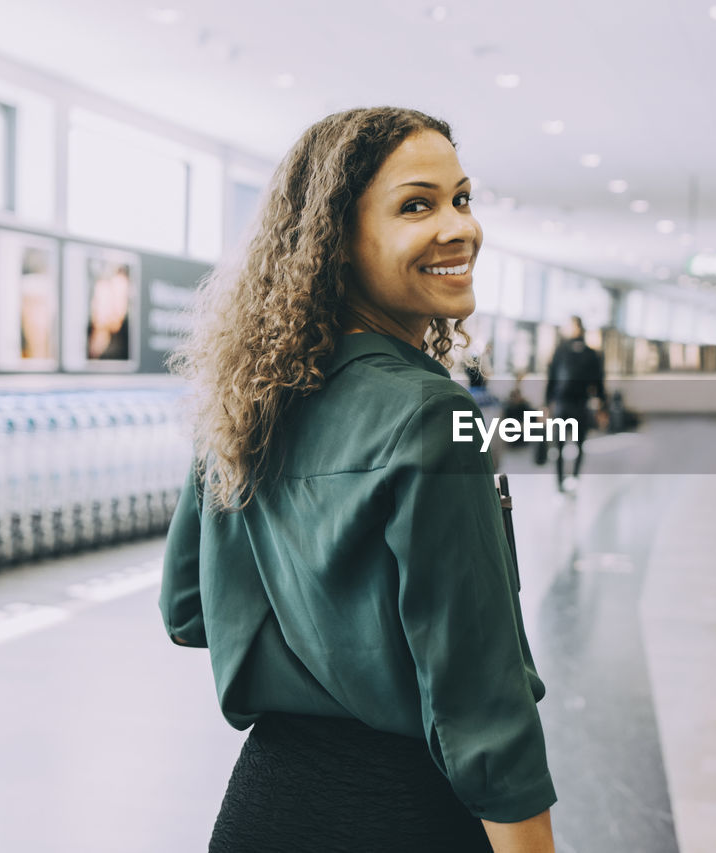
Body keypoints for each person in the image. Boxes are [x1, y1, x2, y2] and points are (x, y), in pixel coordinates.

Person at [160, 107, 556, 853]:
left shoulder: (248, 392)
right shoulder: (429, 412)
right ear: (335, 240)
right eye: (417, 205)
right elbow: (479, 701)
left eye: (462, 198)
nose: (460, 227)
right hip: (402, 812)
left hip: (264, 805)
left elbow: (190, 609)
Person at [544, 315, 606, 492]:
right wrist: (547, 404)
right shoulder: (561, 352)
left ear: (578, 327)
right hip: (563, 404)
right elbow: (552, 379)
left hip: (580, 404)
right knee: (560, 445)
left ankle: (575, 477)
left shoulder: (590, 354)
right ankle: (560, 483)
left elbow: (598, 382)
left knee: (579, 443)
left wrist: (602, 405)